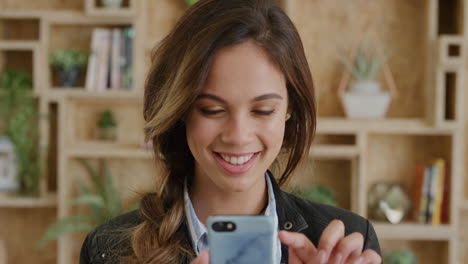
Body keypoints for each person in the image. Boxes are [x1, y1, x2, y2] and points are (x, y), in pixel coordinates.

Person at [79, 0, 382, 263]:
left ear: (290, 109)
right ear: (181, 110)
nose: (238, 136)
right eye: (212, 110)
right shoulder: (108, 250)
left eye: (263, 110)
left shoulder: (346, 246)